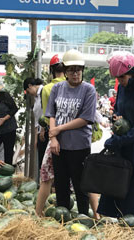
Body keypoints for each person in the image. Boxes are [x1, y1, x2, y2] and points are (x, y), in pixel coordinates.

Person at [97, 52, 134, 227]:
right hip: (123, 143)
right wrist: (116, 118)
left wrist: (119, 141)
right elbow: (117, 109)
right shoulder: (122, 88)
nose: (120, 81)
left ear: (133, 72)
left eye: (122, 77)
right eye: (117, 78)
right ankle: (119, 222)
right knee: (118, 183)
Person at [45, 49, 99, 216]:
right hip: (59, 146)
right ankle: (63, 219)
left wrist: (58, 129)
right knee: (60, 185)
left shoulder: (88, 90)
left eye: (78, 69)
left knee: (81, 186)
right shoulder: (57, 88)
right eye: (71, 70)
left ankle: (83, 217)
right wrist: (53, 138)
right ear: (65, 71)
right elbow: (51, 113)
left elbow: (85, 118)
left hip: (79, 145)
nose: (75, 73)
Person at [35, 60, 68, 215]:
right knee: (80, 175)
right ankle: (96, 213)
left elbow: (47, 115)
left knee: (46, 174)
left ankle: (38, 212)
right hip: (75, 137)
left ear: (51, 70)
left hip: (55, 135)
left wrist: (44, 131)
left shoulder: (48, 88)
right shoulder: (76, 86)